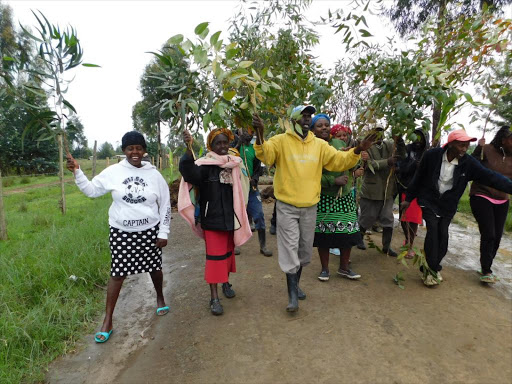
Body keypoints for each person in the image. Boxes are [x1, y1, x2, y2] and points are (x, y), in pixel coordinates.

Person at [252, 105, 375, 312]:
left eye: (309, 115)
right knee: (290, 247)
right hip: (287, 206)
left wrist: (357, 149)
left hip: (310, 206)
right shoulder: (280, 141)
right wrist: (259, 135)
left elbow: (338, 160)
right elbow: (266, 155)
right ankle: (292, 296)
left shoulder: (318, 144)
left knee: (303, 251)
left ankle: (295, 285)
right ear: (293, 120)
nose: (307, 119)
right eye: (303, 116)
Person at [66, 131, 171, 343]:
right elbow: (92, 190)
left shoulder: (155, 175)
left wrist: (163, 231)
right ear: (124, 151)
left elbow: (166, 205)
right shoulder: (113, 172)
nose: (135, 152)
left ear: (144, 150)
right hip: (121, 232)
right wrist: (78, 172)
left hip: (150, 231)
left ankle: (160, 298)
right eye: (130, 148)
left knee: (154, 267)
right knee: (117, 273)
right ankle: (108, 320)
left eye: (138, 148)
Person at [401, 129, 512, 286]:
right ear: (451, 144)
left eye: (467, 146)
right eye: (461, 145)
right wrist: (409, 198)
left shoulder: (468, 163)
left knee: (443, 236)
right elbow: (419, 177)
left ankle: (432, 267)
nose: (464, 149)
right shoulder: (432, 156)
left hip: (447, 205)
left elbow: (491, 177)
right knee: (432, 232)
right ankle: (431, 271)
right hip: (429, 200)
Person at [178, 128, 251, 315]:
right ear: (211, 145)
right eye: (218, 143)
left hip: (229, 219)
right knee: (214, 259)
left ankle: (226, 283)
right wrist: (188, 148)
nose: (222, 146)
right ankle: (214, 298)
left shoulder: (233, 165)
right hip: (212, 220)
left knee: (227, 255)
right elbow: (188, 172)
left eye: (225, 142)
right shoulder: (205, 166)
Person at [311, 114, 368, 282]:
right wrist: (332, 181)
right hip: (324, 197)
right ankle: (325, 269)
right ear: (313, 129)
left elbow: (352, 165)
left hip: (345, 196)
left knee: (347, 233)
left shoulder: (339, 143)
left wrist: (358, 163)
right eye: (319, 125)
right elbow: (309, 175)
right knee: (324, 234)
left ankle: (344, 268)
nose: (323, 128)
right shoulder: (312, 148)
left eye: (326, 125)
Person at [469, 126, 512, 283]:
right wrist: (477, 149)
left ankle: (486, 265)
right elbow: (471, 165)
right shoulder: (485, 149)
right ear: (503, 140)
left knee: (497, 237)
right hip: (482, 194)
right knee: (489, 234)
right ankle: (487, 270)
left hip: (502, 200)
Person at [357, 127, 406, 256]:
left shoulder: (390, 145)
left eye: (381, 133)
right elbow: (368, 165)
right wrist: (387, 162)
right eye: (376, 133)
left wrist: (399, 140)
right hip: (371, 191)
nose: (379, 136)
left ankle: (387, 246)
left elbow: (402, 154)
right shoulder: (365, 147)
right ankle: (358, 239)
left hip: (387, 190)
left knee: (387, 218)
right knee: (367, 218)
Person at [234, 129, 272, 256]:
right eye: (245, 131)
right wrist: (239, 143)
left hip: (251, 190)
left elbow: (257, 169)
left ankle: (263, 246)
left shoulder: (254, 149)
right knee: (236, 217)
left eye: (251, 132)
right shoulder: (234, 146)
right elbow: (230, 158)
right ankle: (235, 244)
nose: (248, 134)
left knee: (259, 214)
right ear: (239, 131)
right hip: (237, 190)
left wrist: (254, 180)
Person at [396, 128, 429, 258]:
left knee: (414, 218)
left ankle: (410, 245)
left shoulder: (427, 153)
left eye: (421, 138)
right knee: (404, 217)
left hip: (419, 191)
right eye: (416, 138)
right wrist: (414, 165)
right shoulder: (407, 150)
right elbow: (402, 168)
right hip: (405, 187)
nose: (418, 141)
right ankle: (407, 239)